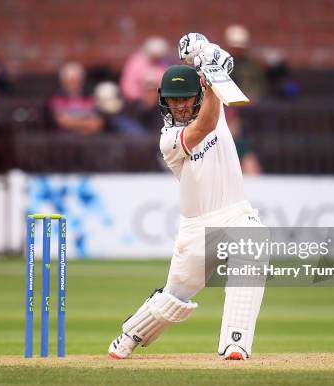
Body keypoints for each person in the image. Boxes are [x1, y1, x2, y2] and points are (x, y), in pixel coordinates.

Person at [108, 49, 266, 360]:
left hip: (235, 213)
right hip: (197, 226)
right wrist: (210, 83)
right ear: (163, 100)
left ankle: (235, 343)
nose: (179, 105)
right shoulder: (169, 138)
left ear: (196, 95)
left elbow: (221, 62)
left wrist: (205, 52)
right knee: (175, 297)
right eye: (173, 99)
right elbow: (205, 125)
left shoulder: (213, 103)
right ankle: (129, 334)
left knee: (254, 244)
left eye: (185, 98)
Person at [48, 61, 103, 134]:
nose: (75, 84)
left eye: (78, 80)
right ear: (64, 81)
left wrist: (77, 124)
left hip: (90, 137)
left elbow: (97, 122)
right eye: (71, 80)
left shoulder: (90, 98)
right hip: (64, 138)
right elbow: (62, 121)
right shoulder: (56, 98)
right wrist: (84, 124)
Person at [120, 36, 170, 103]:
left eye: (158, 56)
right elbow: (128, 87)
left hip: (160, 102)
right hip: (137, 102)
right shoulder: (135, 63)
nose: (156, 58)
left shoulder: (166, 63)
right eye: (154, 55)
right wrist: (143, 98)